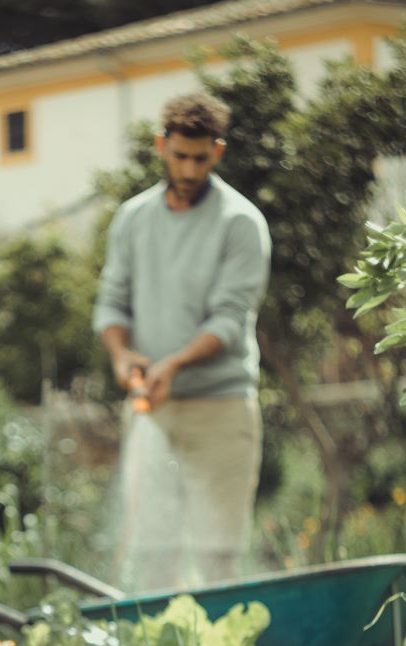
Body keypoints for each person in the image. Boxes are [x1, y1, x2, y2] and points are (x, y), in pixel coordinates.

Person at [93, 92, 272, 591]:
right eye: (180, 156)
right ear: (161, 146)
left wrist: (171, 366)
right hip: (152, 407)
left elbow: (230, 320)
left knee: (218, 558)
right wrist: (121, 355)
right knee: (154, 556)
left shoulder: (241, 222)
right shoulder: (132, 218)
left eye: (200, 157)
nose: (190, 169)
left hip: (221, 409)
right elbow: (111, 303)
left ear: (217, 151)